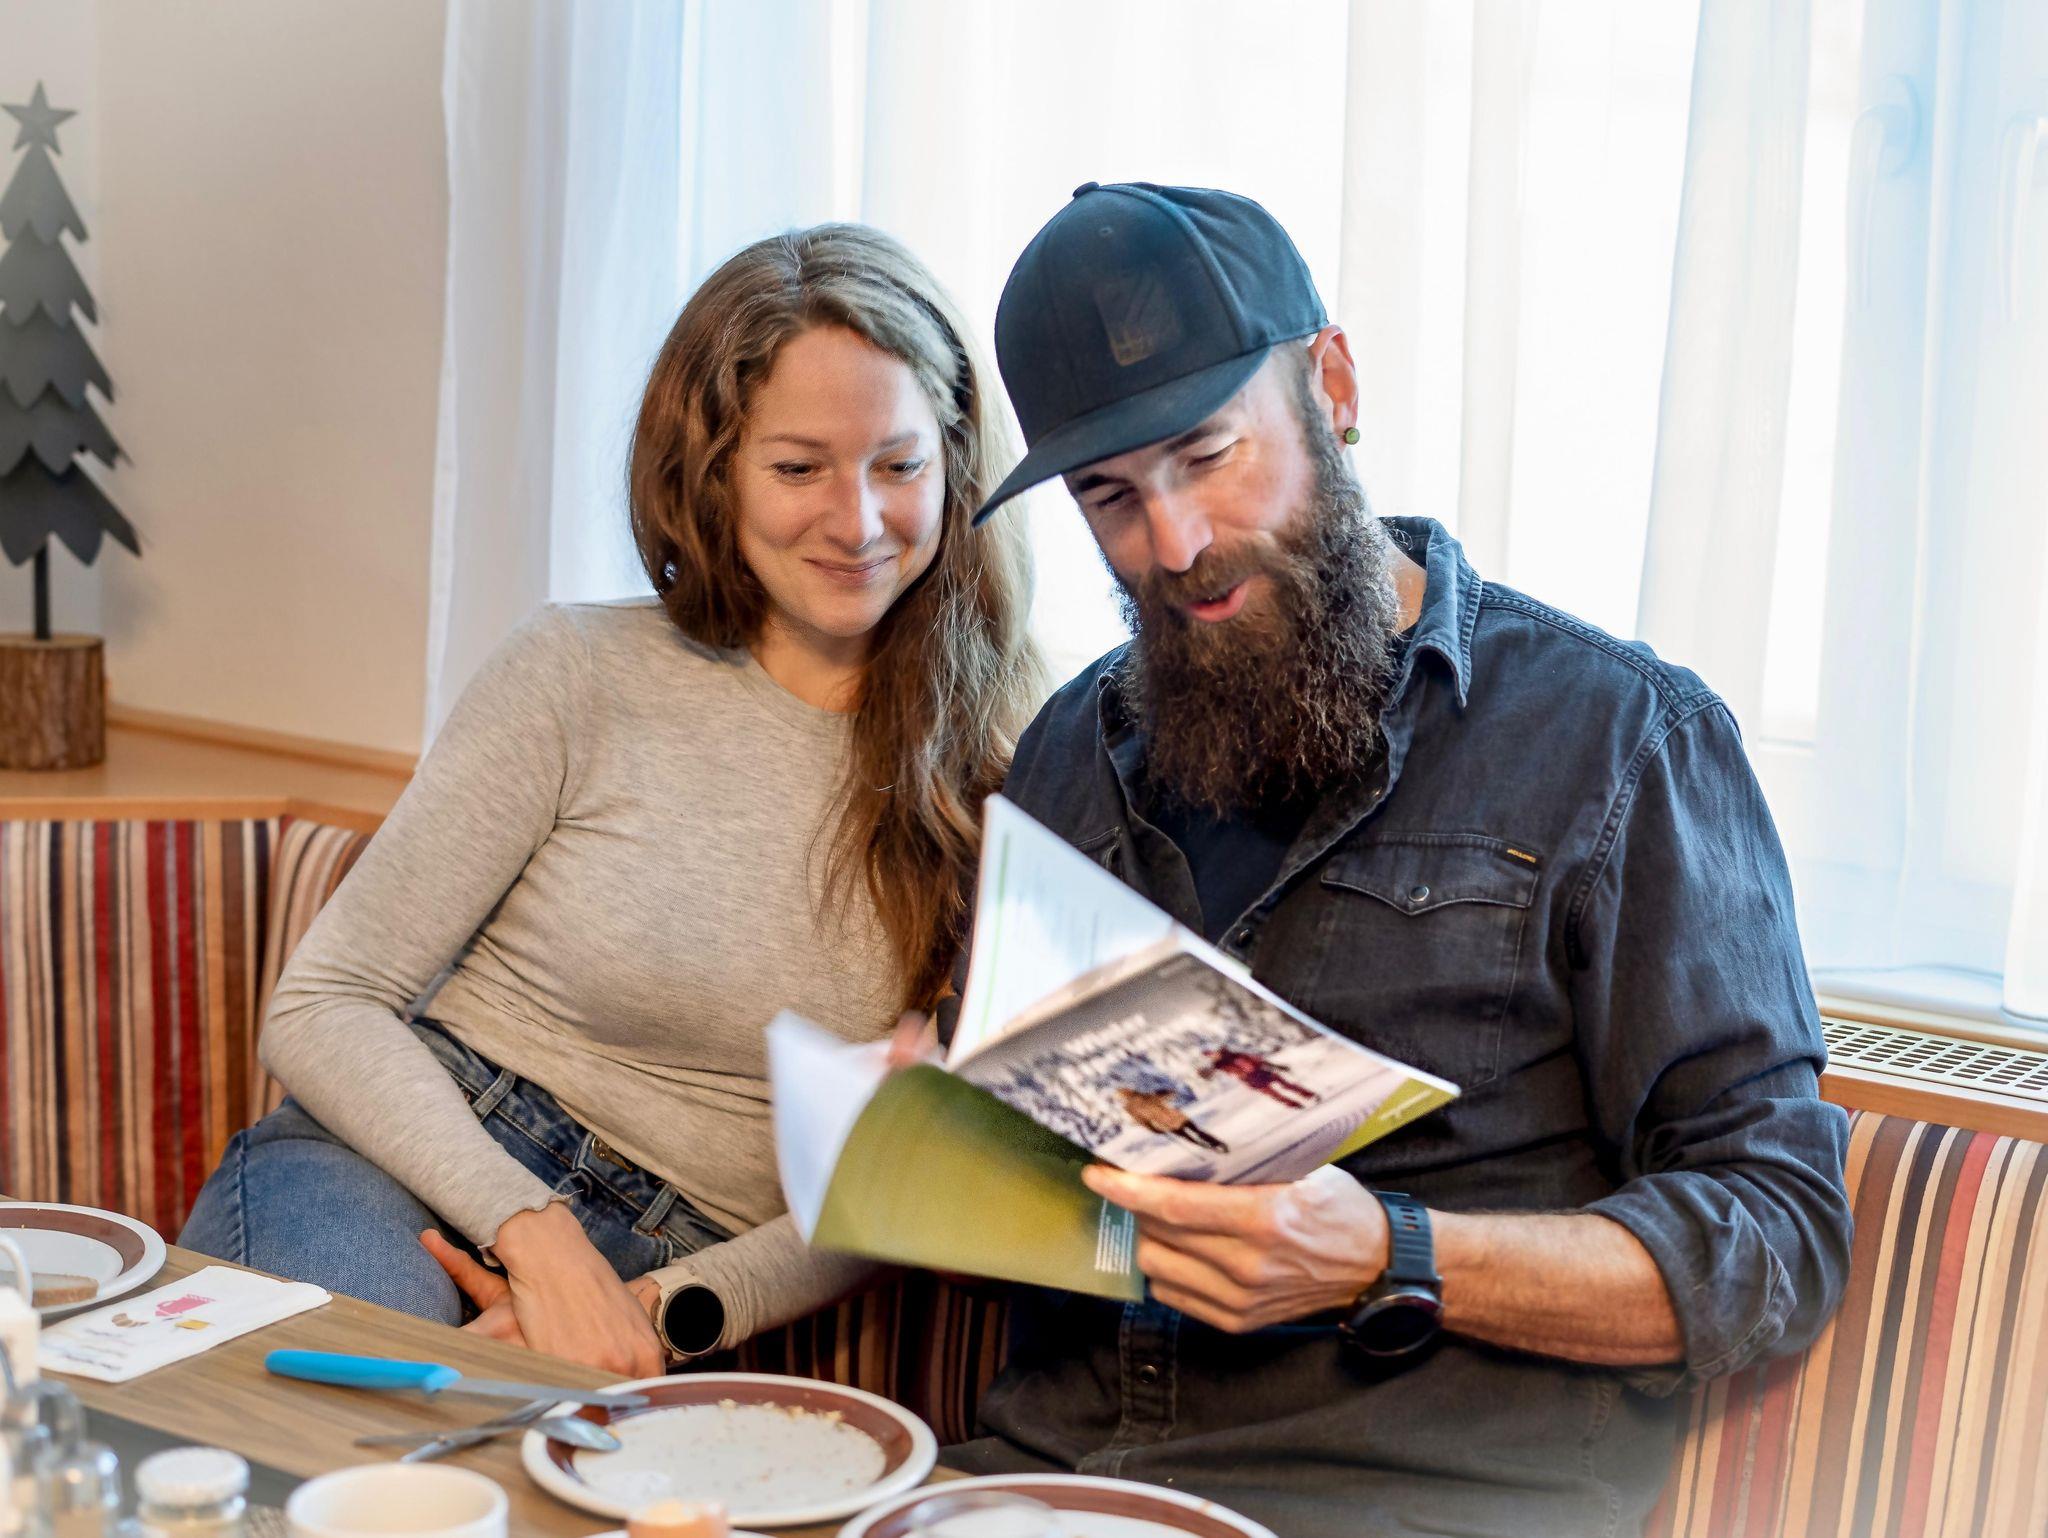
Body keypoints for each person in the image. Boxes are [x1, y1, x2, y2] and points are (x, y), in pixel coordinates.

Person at [936, 183, 1853, 1538]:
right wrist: (937, 1129)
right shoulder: (1072, 746)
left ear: (1333, 385)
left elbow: (1779, 1233)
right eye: (1109, 496)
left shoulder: (1619, 739)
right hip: (1048, 1481)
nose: (1174, 546)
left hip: (1407, 1505)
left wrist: (1388, 1252)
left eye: (1206, 454)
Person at [179, 224, 1045, 1376]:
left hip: (678, 1267)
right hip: (408, 1164)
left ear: (956, 464)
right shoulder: (576, 669)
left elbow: (900, 1181)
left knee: (471, 1458)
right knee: (339, 1445)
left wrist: (654, 1306)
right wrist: (537, 1240)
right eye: (798, 468)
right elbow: (323, 1002)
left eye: (897, 465)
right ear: (713, 472)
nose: (856, 520)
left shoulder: (1008, 765)